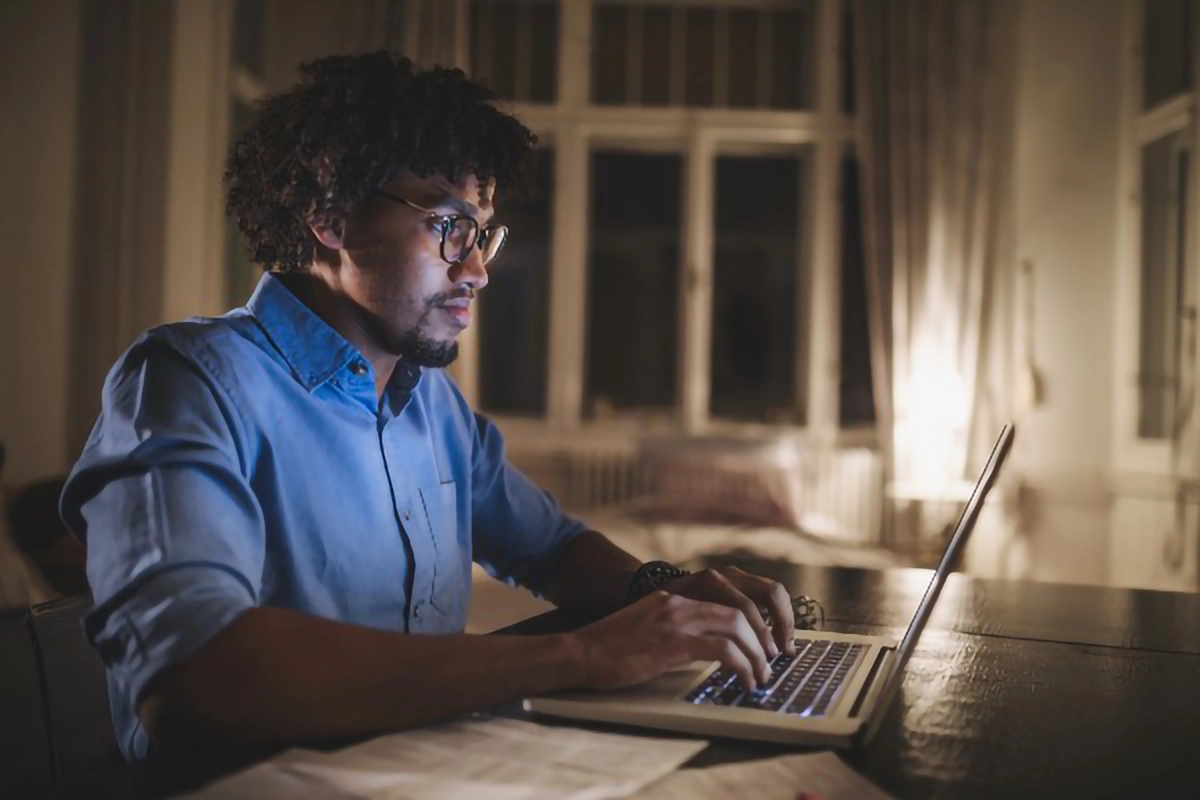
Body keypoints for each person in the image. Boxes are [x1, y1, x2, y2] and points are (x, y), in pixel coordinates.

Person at [61, 52, 797, 763]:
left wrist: (665, 593)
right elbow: (198, 675)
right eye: (449, 227)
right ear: (331, 215)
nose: (476, 271)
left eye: (483, 235)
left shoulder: (432, 405)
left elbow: (551, 547)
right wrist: (576, 656)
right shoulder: (189, 382)